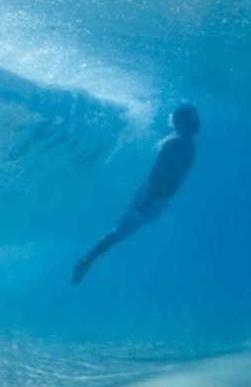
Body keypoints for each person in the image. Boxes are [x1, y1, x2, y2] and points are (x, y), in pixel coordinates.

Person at [71, 105, 199, 285]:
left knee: (123, 233)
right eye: (191, 118)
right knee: (119, 233)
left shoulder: (188, 143)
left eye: (194, 116)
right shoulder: (175, 143)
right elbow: (156, 172)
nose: (196, 121)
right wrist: (147, 200)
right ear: (180, 123)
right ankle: (85, 261)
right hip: (151, 196)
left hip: (158, 199)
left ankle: (87, 260)